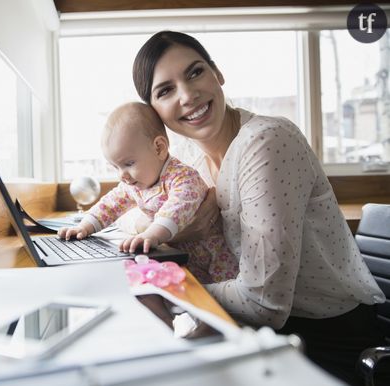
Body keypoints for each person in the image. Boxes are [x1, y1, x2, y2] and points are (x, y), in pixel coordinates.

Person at [131, 30, 386, 384]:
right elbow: (141, 215)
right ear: (155, 113)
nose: (188, 96)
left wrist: (170, 289)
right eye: (165, 90)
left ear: (217, 74)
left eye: (195, 72)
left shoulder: (266, 141)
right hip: (257, 330)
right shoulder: (192, 162)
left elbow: (265, 304)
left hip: (328, 340)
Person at [58, 101, 239, 284]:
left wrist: (151, 234)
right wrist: (84, 226)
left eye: (128, 164)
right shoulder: (134, 185)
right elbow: (110, 205)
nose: (122, 175)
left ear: (159, 148)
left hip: (215, 257)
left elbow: (177, 207)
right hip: (179, 256)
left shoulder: (183, 177)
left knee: (216, 301)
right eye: (116, 167)